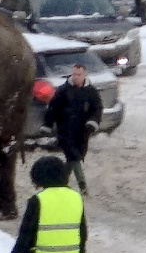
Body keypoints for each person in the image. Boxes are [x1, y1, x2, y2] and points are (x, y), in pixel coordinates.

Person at [40, 64, 102, 194]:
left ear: (85, 75)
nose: (76, 77)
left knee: (74, 157)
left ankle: (61, 182)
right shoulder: (64, 90)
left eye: (79, 75)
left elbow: (97, 109)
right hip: (65, 130)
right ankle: (82, 185)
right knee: (73, 155)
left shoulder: (91, 92)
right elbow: (53, 108)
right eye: (74, 74)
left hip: (82, 132)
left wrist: (91, 124)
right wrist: (48, 124)